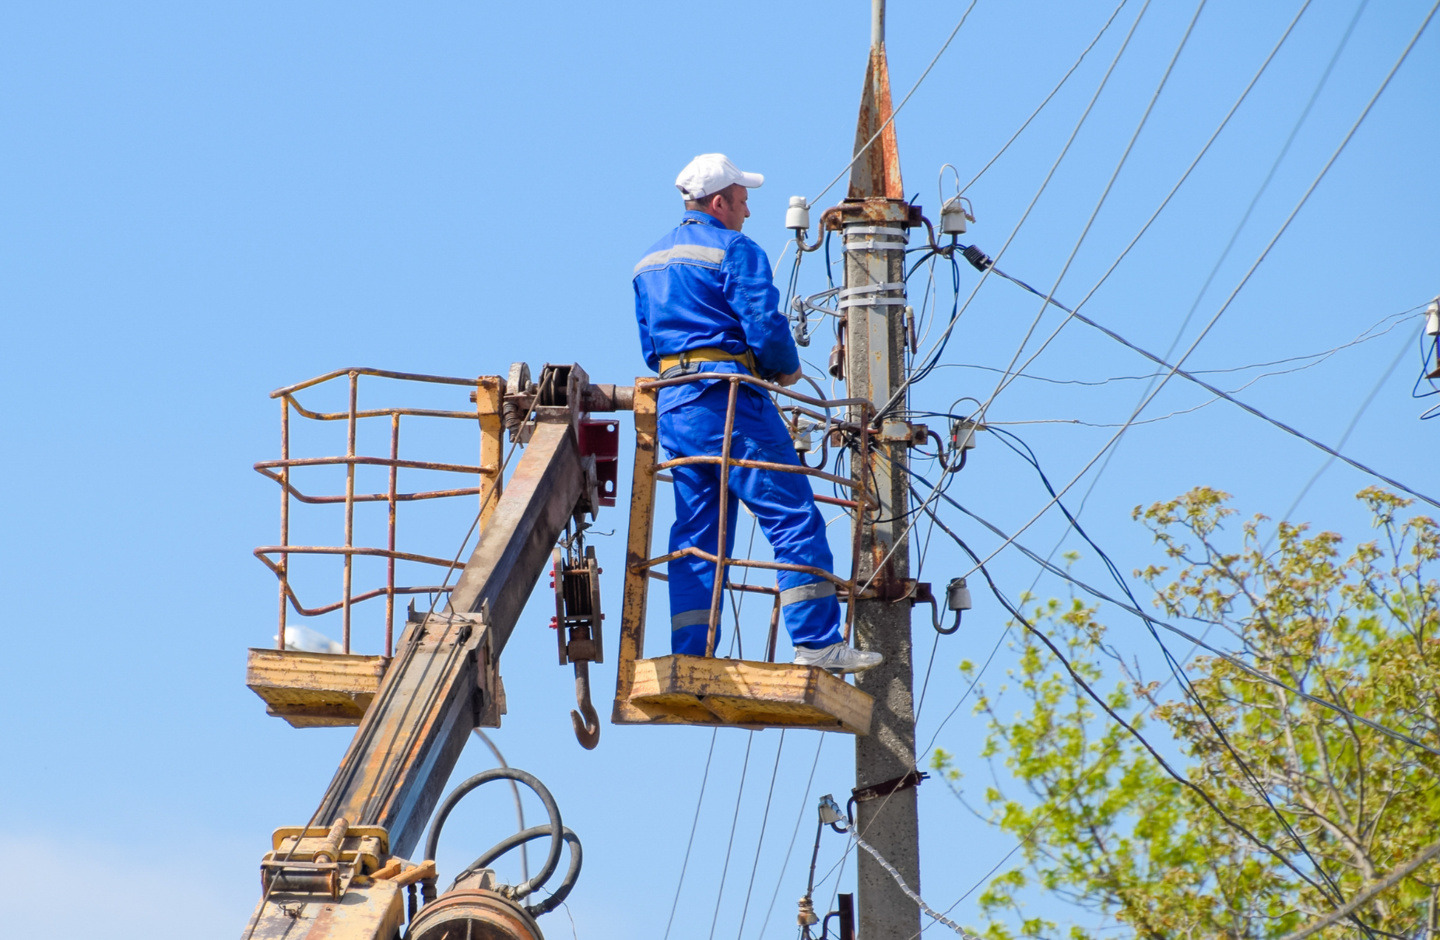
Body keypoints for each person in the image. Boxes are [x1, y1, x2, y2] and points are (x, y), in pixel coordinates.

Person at [632, 153, 882, 674]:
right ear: (719, 202)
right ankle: (816, 641)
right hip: (730, 401)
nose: (747, 213)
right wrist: (785, 370)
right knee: (792, 514)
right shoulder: (734, 249)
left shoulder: (649, 262)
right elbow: (765, 327)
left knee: (698, 535)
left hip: (675, 405)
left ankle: (691, 653)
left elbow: (650, 348)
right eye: (743, 202)